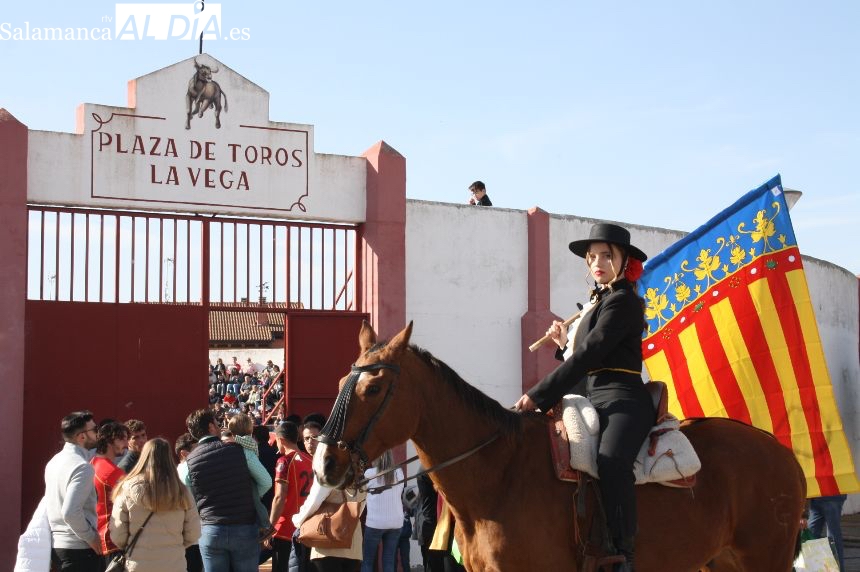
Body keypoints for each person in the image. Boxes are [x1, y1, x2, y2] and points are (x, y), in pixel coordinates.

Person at [514, 222, 653, 571]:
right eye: (592, 257)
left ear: (624, 262)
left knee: (610, 462)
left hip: (623, 399)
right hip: (590, 397)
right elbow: (585, 355)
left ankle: (624, 552)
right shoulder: (599, 303)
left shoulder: (623, 303)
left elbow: (591, 354)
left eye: (607, 255)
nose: (597, 262)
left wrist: (537, 395)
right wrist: (563, 344)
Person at [184, 408, 270, 572]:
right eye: (217, 423)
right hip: (243, 526)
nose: (220, 426)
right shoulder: (240, 450)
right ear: (211, 427)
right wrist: (249, 495)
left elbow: (189, 500)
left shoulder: (189, 462)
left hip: (210, 529)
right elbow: (266, 481)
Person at [110, 438, 201, 571]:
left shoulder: (126, 489)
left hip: (138, 564)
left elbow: (118, 533)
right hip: (174, 564)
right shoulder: (181, 491)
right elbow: (193, 532)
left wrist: (134, 545)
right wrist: (175, 545)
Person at [44, 410, 102, 571]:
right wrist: (92, 538)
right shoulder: (82, 467)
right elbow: (70, 512)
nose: (98, 434)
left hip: (59, 546)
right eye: (94, 429)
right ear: (81, 436)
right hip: (79, 549)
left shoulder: (54, 461)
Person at [292, 479, 366, 572]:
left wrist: (297, 520)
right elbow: (359, 510)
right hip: (353, 543)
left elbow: (313, 503)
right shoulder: (362, 476)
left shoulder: (330, 473)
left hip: (327, 542)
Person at [268, 422, 313, 571]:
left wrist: (270, 527)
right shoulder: (310, 460)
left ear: (281, 439)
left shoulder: (284, 461)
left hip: (285, 529)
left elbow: (279, 498)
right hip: (305, 527)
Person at [227, 413, 276, 540]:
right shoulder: (248, 450)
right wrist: (254, 494)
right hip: (245, 510)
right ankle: (265, 526)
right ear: (250, 429)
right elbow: (266, 481)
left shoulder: (225, 447)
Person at [91, 421, 129, 567]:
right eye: (122, 438)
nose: (126, 444)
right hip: (111, 540)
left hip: (98, 537)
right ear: (109, 440)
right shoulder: (113, 471)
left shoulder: (93, 463)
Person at [361, 450, 405, 572]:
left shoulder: (369, 474)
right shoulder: (398, 473)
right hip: (396, 522)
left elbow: (361, 494)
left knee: (368, 561)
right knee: (389, 560)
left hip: (375, 522)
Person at [808, 494, 848, 571]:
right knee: (811, 533)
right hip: (817, 496)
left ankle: (836, 569)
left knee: (832, 536)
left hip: (830, 495)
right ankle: (812, 567)